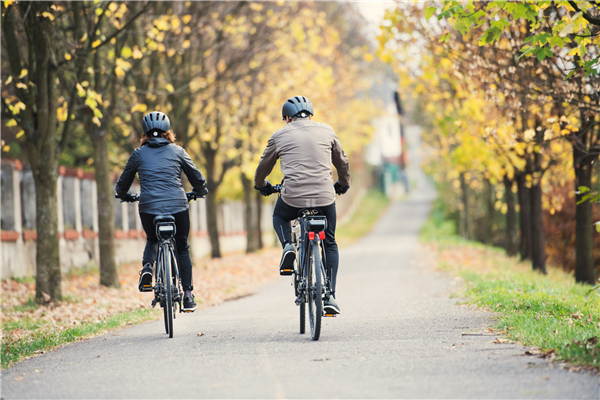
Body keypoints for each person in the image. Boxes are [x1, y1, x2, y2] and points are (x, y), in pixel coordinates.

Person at [254, 96, 350, 314]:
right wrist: (343, 184)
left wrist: (261, 185)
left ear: (287, 118)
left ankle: (288, 245)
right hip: (325, 198)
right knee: (331, 242)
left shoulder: (279, 135)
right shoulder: (327, 131)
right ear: (311, 115)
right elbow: (342, 161)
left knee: (280, 216)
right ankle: (331, 296)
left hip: (293, 198)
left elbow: (264, 166)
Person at [115, 111, 207, 312]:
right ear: (168, 132)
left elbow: (122, 183)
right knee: (182, 246)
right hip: (178, 206)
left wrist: (123, 194)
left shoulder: (138, 154)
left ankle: (148, 268)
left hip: (149, 207)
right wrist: (200, 190)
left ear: (145, 134)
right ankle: (189, 295)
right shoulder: (178, 151)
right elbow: (197, 178)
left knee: (152, 239)